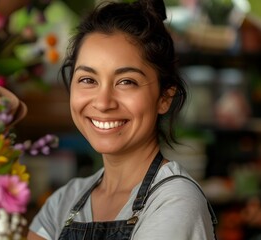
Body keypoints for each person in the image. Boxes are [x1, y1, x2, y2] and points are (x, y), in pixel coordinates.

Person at [27, 0, 218, 239]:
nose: (103, 102)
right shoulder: (64, 202)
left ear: (164, 97)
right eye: (88, 80)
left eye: (126, 82)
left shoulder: (175, 202)